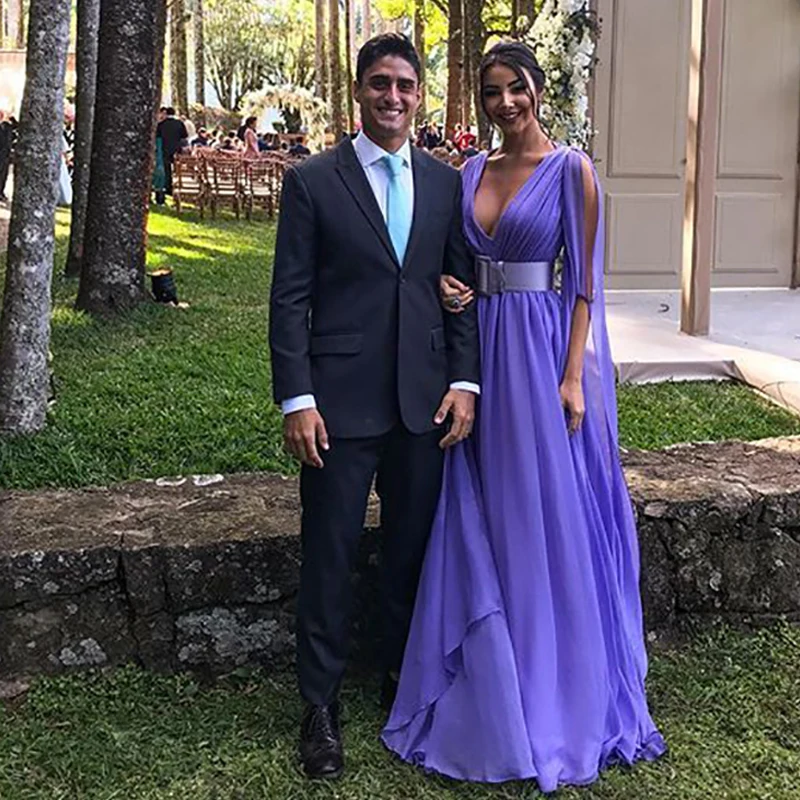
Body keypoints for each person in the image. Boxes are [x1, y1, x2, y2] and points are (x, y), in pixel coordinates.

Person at [382, 40, 666, 792]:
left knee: (543, 509)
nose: (505, 103)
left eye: (517, 88)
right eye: (491, 92)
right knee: (485, 502)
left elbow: (585, 284)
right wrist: (453, 288)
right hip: (479, 352)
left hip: (540, 354)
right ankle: (490, 674)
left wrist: (573, 376)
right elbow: (458, 261)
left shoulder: (572, 170)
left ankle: (553, 680)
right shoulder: (471, 170)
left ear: (539, 89)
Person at [269, 32, 480, 781]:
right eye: (380, 83)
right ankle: (319, 706)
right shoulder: (312, 181)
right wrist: (298, 398)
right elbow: (289, 298)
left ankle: (401, 679)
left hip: (425, 406)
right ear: (359, 90)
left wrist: (465, 382)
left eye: (405, 85)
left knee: (410, 552)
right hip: (337, 406)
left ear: (420, 95)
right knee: (328, 555)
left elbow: (459, 291)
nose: (394, 96)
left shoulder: (447, 183)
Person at [155, 107, 188, 197]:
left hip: (165, 148)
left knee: (167, 169)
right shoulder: (179, 123)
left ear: (166, 113)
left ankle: (168, 187)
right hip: (177, 149)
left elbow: (157, 136)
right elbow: (184, 135)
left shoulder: (161, 124)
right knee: (177, 168)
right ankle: (178, 185)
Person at [0, 112, 17, 202]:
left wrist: (12, 119)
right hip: (2, 154)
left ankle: (1, 192)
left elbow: (17, 127)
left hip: (5, 155)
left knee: (3, 176)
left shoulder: (7, 127)